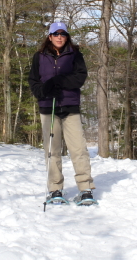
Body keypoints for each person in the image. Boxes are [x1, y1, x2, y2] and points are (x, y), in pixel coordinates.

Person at [28, 22, 95, 203]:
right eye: (55, 34)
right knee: (52, 151)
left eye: (63, 34)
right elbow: (33, 80)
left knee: (78, 149)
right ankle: (55, 189)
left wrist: (59, 81)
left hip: (70, 107)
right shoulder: (39, 56)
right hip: (48, 109)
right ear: (49, 36)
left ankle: (85, 188)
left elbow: (79, 77)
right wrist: (44, 91)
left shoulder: (75, 55)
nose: (59, 37)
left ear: (67, 37)